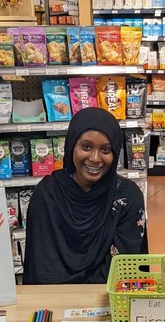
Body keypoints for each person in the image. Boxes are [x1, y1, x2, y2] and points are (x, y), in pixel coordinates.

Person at [23, 107, 147, 284]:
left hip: (109, 297)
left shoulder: (127, 197)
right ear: (71, 146)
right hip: (54, 297)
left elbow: (125, 265)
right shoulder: (48, 193)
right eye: (86, 147)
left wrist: (87, 298)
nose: (95, 158)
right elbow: (42, 263)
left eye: (105, 150)